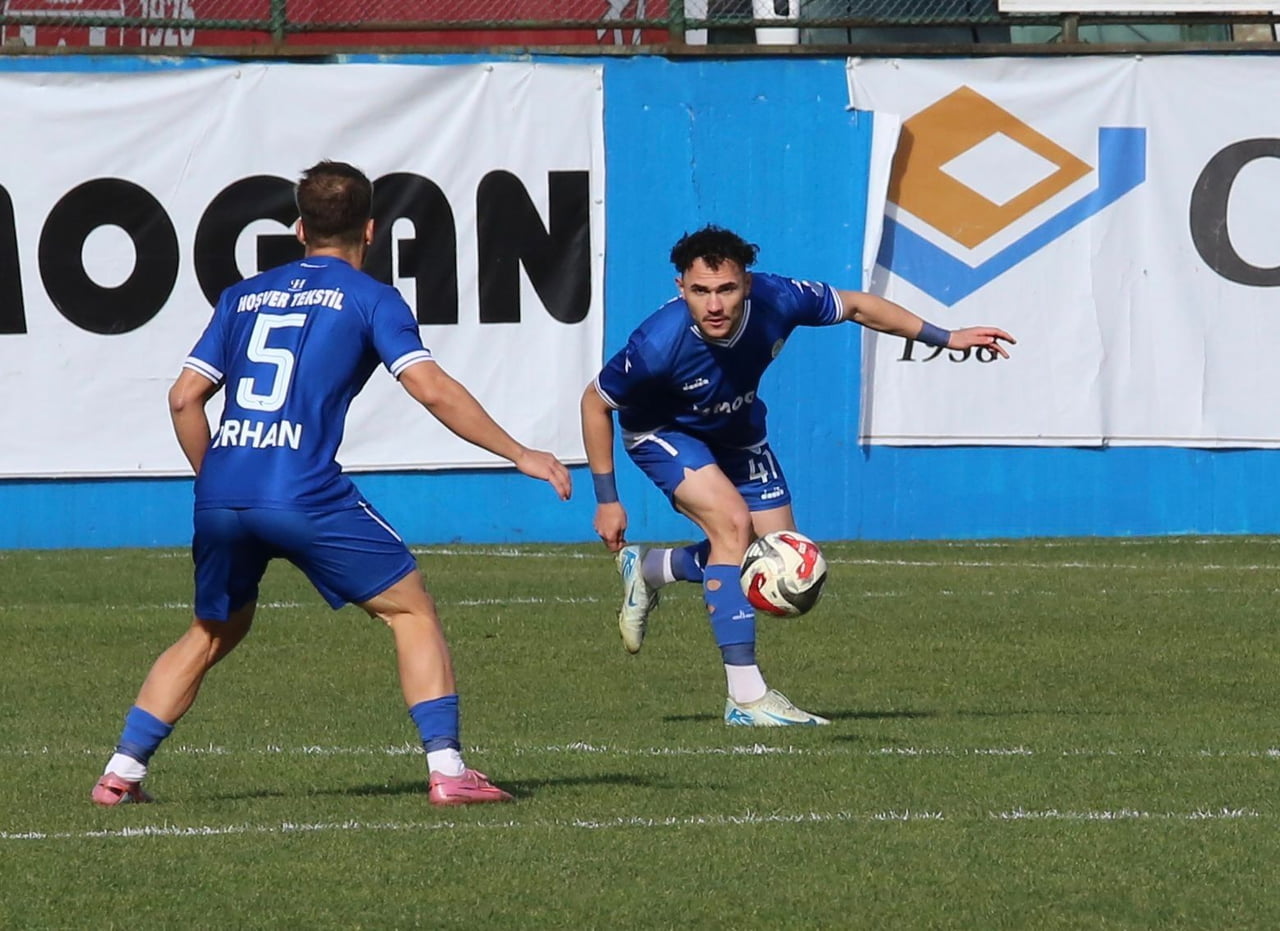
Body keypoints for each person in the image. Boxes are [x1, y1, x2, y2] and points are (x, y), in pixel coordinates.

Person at [92, 161, 571, 807]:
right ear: (371, 229)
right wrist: (519, 452)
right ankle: (449, 769)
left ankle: (122, 772)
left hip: (224, 490)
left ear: (298, 227)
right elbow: (429, 387)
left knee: (211, 630)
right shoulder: (371, 297)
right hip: (301, 488)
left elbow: (184, 399)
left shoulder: (242, 296)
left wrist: (221, 479)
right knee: (410, 608)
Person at [581, 225, 1013, 726]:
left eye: (726, 289)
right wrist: (607, 498)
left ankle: (653, 569)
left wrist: (947, 336)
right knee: (732, 525)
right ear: (681, 288)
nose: (715, 304)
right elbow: (595, 402)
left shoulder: (778, 297)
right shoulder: (657, 343)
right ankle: (746, 698)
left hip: (738, 429)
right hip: (662, 432)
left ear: (748, 283)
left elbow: (855, 305)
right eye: (700, 291)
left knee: (782, 558)